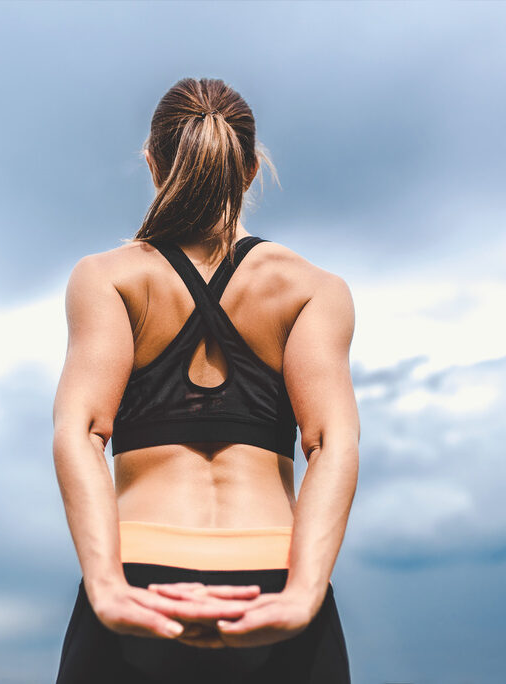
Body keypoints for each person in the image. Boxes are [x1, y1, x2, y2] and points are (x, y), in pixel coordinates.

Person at [52, 77, 359, 684]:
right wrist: (303, 594)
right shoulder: (313, 289)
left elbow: (81, 431)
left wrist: (106, 586)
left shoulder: (109, 278)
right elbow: (331, 444)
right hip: (273, 581)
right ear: (249, 169)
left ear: (153, 163)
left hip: (142, 580)